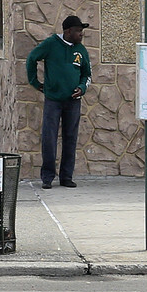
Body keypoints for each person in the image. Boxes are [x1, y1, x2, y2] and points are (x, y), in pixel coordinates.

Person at [26, 14, 92, 189]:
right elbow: (32, 59)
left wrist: (82, 88)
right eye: (78, 31)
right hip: (53, 100)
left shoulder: (81, 50)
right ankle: (47, 177)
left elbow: (87, 74)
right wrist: (35, 83)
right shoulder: (51, 44)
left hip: (73, 101)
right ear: (68, 31)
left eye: (82, 31)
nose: (81, 35)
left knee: (70, 138)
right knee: (49, 138)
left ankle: (66, 177)